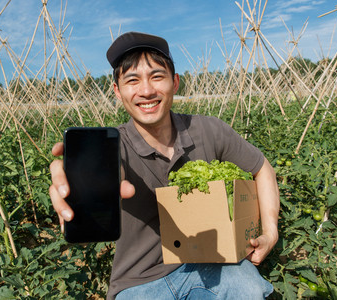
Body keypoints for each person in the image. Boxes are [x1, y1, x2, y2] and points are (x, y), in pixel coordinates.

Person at [49, 31, 280, 299]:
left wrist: (270, 232)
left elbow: (262, 168)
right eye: (132, 80)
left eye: (157, 76)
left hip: (211, 261)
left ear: (176, 82)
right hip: (139, 282)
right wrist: (83, 187)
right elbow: (110, 171)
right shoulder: (115, 146)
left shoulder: (208, 130)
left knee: (247, 290)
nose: (146, 90)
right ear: (117, 91)